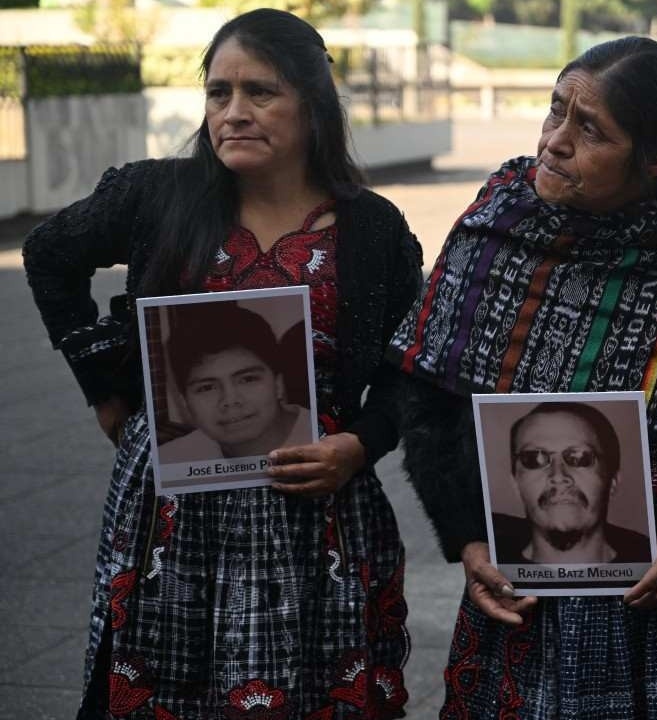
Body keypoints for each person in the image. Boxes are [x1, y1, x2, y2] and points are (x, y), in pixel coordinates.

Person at [23, 9, 422, 719]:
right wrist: (105, 390)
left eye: (260, 92)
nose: (233, 113)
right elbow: (49, 255)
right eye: (218, 93)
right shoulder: (157, 195)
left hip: (317, 508)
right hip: (173, 513)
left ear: (313, 103)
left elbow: (408, 365)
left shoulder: (375, 229)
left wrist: (358, 446)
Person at [388, 36, 657, 719]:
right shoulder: (497, 225)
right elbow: (425, 392)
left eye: (589, 129)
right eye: (555, 112)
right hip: (520, 607)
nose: (554, 142)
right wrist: (467, 538)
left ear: (656, 157)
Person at [493, 402, 651, 565]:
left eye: (580, 457)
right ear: (515, 483)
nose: (559, 476)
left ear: (612, 481)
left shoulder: (655, 568)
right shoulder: (488, 567)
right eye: (534, 459)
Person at [158, 303, 313, 463]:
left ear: (278, 384)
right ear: (185, 403)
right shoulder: (169, 462)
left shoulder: (325, 444)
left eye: (247, 379)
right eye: (207, 388)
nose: (230, 401)